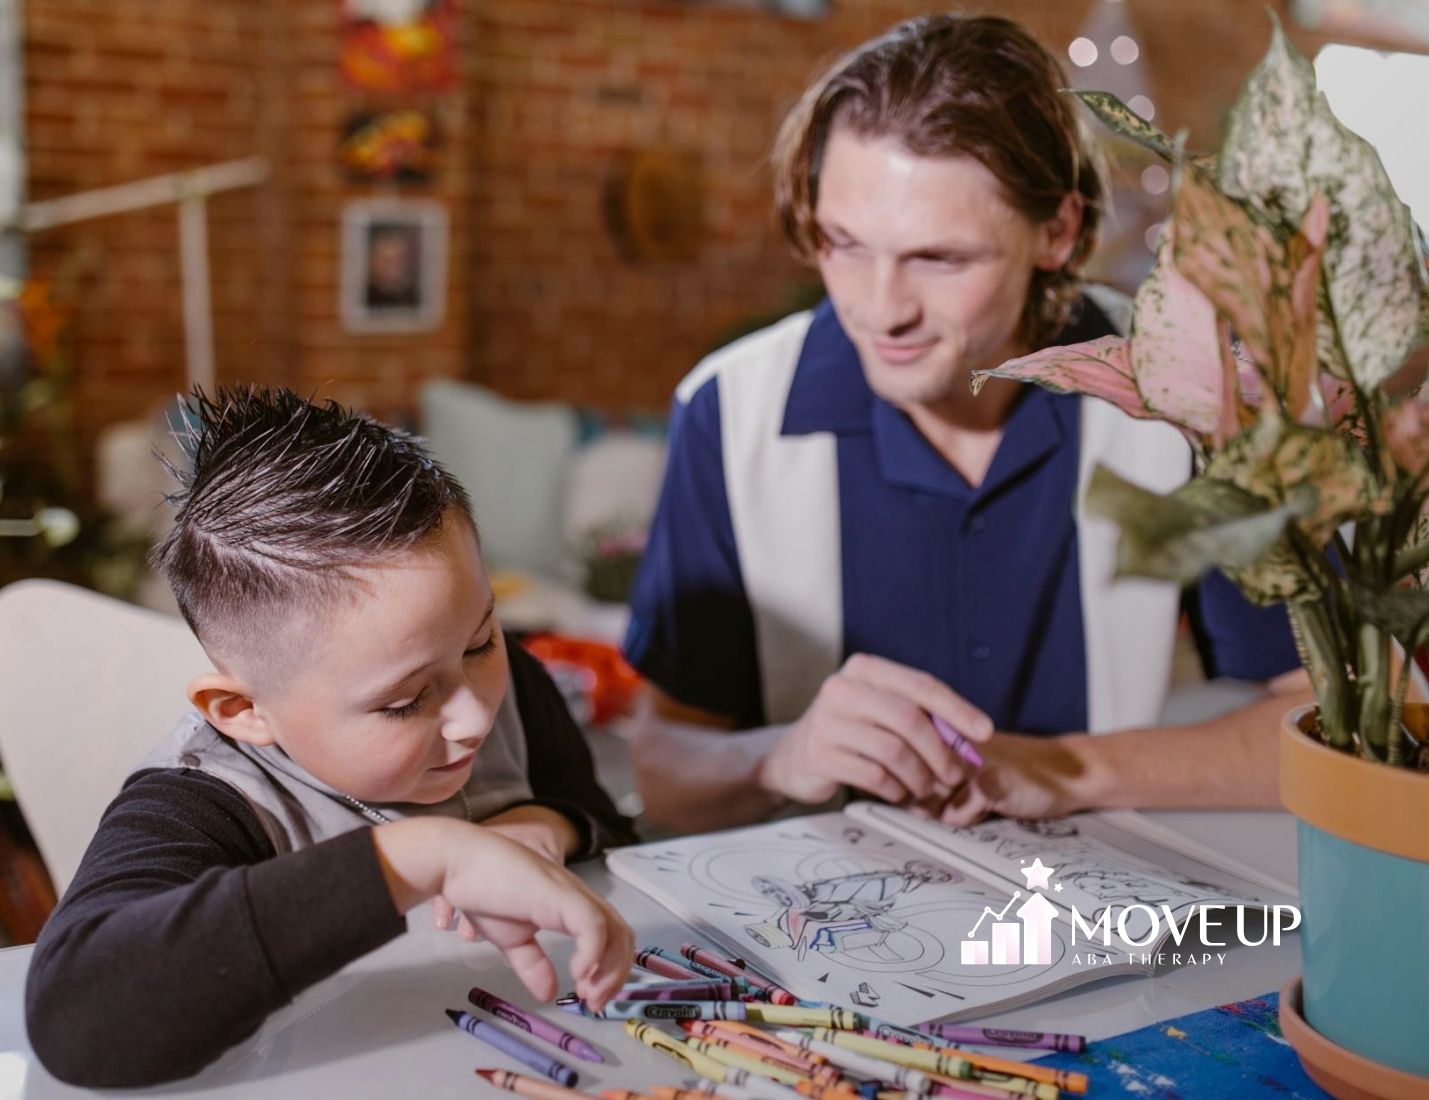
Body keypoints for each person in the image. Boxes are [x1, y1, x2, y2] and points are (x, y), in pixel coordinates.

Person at [623, 14, 1308, 835]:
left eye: (939, 259)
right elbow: (664, 771)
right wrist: (783, 755)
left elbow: (1340, 726)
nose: (879, 309)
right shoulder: (728, 412)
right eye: (842, 243)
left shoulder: (1182, 391)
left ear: (1056, 230)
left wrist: (1062, 770)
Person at [25, 387, 636, 1087]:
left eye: (480, 643)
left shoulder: (514, 687)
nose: (474, 716)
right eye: (405, 702)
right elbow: (80, 1017)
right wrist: (420, 857)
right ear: (240, 709)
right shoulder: (209, 798)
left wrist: (549, 825)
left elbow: (607, 820)